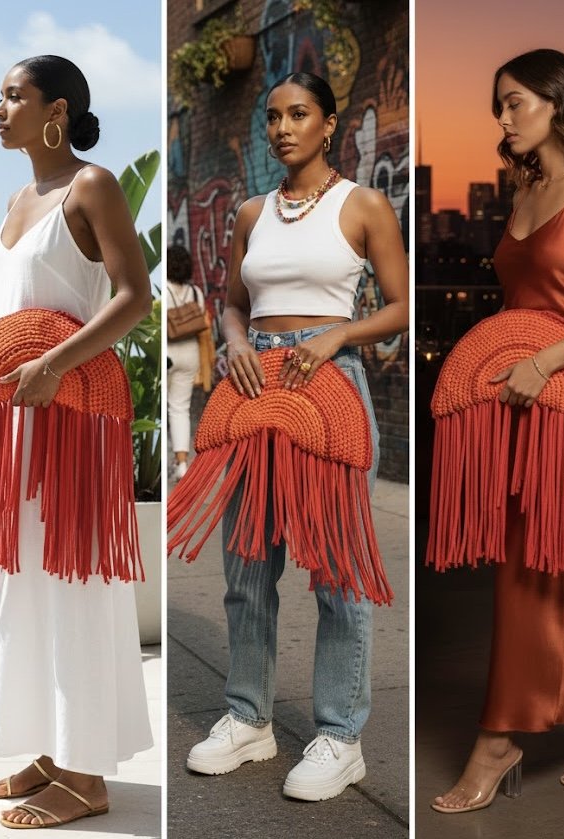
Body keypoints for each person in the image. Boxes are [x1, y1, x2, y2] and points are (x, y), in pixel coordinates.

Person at [432, 48, 564, 814]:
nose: (502, 118)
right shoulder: (524, 187)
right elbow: (521, 301)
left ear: (559, 102)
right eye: (498, 105)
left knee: (540, 561)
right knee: (563, 568)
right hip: (518, 398)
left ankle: (499, 736)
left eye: (514, 102)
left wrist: (545, 360)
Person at [184, 71, 408, 801]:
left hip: (329, 384)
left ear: (328, 123)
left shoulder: (363, 203)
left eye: (298, 114)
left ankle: (340, 735)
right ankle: (248, 718)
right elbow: (231, 304)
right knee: (248, 570)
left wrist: (341, 329)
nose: (282, 127)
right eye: (273, 116)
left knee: (339, 574)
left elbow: (402, 305)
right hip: (254, 388)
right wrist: (234, 342)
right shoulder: (249, 211)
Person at [0, 55, 154, 829]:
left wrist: (51, 362)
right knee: (18, 582)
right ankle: (48, 745)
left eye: (13, 95)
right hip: (13, 418)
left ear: (55, 109)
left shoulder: (91, 185)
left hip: (69, 412)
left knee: (70, 582)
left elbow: (134, 295)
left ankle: (86, 772)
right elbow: (14, 306)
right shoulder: (14, 197)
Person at [166, 244, 205, 480]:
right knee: (180, 408)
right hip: (191, 352)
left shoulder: (167, 289)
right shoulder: (196, 293)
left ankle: (173, 462)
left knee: (167, 407)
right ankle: (182, 464)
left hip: (169, 352)